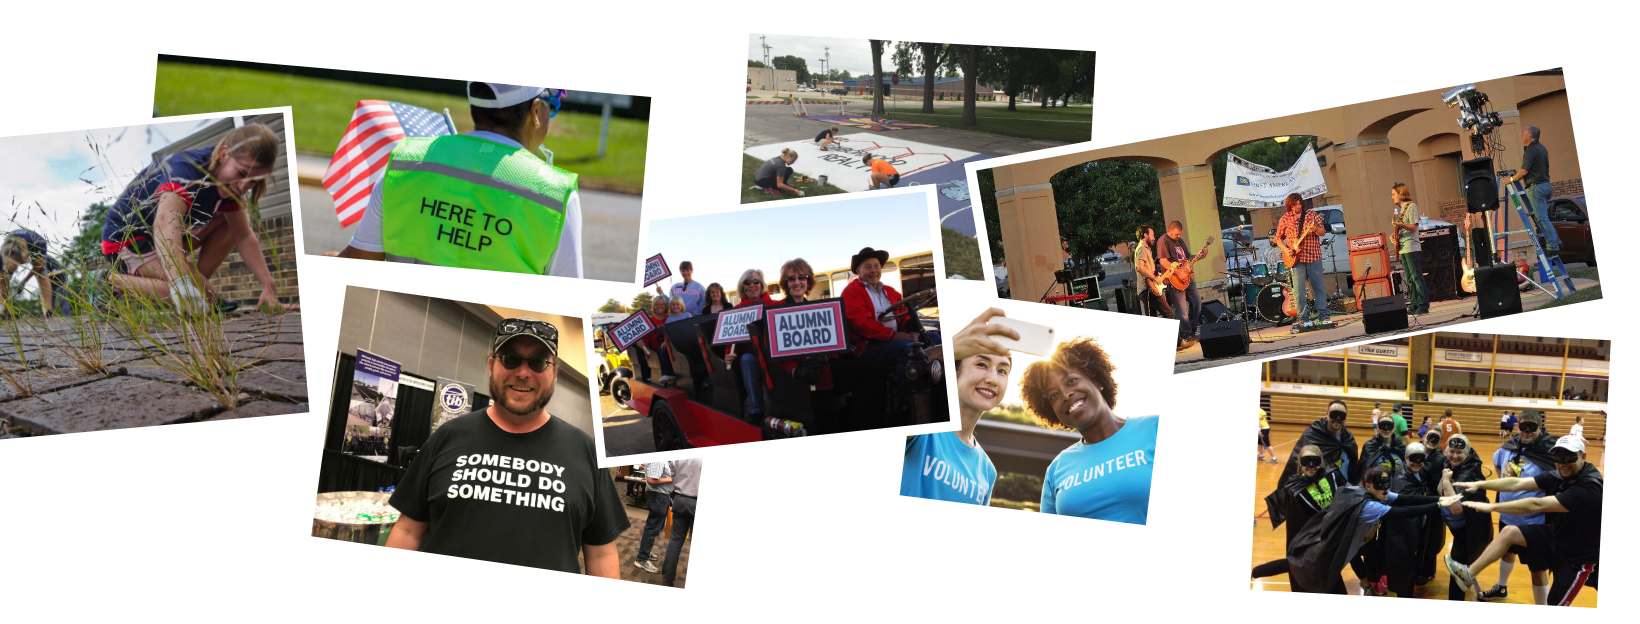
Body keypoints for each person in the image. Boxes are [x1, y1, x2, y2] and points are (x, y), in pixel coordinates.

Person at [386, 318, 628, 576]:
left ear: (554, 372)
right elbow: (408, 530)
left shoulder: (585, 450)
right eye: (510, 359)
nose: (523, 373)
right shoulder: (448, 435)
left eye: (538, 362)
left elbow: (602, 553)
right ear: (491, 365)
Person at [333, 83, 582, 277]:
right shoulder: (557, 196)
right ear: (536, 110)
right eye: (552, 105)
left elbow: (359, 261)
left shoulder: (405, 161)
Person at [100, 123, 286, 312]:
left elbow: (243, 235)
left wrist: (269, 286)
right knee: (205, 297)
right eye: (241, 173)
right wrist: (181, 282)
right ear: (224, 154)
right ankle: (107, 282)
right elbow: (165, 221)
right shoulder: (186, 170)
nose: (243, 186)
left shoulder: (229, 184)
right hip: (128, 240)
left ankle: (198, 289)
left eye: (254, 181)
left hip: (163, 238)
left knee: (229, 225)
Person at [1251, 466, 1463, 595]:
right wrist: (1438, 506)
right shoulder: (1370, 506)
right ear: (1369, 485)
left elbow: (1405, 498)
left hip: (1332, 545)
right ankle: (1253, 573)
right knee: (1303, 567)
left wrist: (1439, 498)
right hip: (1328, 551)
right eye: (1381, 486)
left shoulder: (1364, 491)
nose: (1386, 490)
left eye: (1387, 486)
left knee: (1296, 564)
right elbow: (1403, 512)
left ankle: (1254, 572)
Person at [1448, 435, 1603, 606]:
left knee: (1554, 604)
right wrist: (1480, 484)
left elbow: (1536, 504)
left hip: (1577, 556)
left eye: (1570, 456)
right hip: (1558, 536)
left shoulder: (1590, 488)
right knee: (1510, 532)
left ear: (1583, 457)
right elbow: (1516, 483)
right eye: (1559, 457)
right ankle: (1468, 575)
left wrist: (1493, 507)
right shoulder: (1559, 475)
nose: (1563, 462)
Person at [1019, 337, 1157, 523]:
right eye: (1054, 395)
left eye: (1072, 381)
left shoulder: (1155, 429)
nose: (1066, 395)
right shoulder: (1057, 469)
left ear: (1097, 380)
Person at [900, 309, 1009, 505]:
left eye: (1002, 370)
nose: (992, 379)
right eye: (982, 364)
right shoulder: (920, 434)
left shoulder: (987, 471)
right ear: (955, 371)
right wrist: (950, 348)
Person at [1475, 409, 1556, 602]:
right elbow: (1498, 464)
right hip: (1507, 516)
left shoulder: (1549, 451)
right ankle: (1501, 588)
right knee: (1507, 553)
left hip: (1534, 522)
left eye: (1532, 427)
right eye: (1523, 427)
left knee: (1537, 569)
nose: (1527, 432)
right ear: (1517, 426)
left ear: (1540, 427)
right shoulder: (1509, 446)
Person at [842, 247, 925, 423]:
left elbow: (904, 313)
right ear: (858, 270)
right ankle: (908, 406)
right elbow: (862, 324)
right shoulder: (851, 292)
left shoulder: (890, 291)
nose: (873, 271)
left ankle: (937, 391)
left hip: (892, 341)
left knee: (935, 340)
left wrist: (912, 329)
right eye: (868, 267)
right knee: (908, 351)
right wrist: (896, 336)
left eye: (876, 266)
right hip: (866, 346)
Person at [1263, 444, 1347, 573]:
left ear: (1321, 462)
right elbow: (1295, 525)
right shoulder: (1294, 489)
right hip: (1314, 541)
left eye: (1315, 461)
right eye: (1306, 461)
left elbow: (1347, 499)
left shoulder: (1333, 476)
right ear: (1300, 463)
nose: (1311, 466)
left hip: (1335, 534)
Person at [1435, 433, 1494, 600]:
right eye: (1451, 451)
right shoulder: (1450, 463)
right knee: (1465, 564)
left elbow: (1455, 508)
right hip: (1460, 527)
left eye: (1459, 452)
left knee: (1457, 568)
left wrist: (1446, 481)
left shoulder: (1471, 474)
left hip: (1469, 530)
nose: (1454, 455)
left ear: (1467, 454)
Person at [1270, 400, 1361, 507]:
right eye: (1334, 414)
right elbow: (1298, 466)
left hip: (1344, 491)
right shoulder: (1313, 435)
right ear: (1326, 413)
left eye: (1341, 415)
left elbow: (1353, 466)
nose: (1337, 419)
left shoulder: (1348, 439)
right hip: (1322, 494)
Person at [1387, 442, 1447, 596]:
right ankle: (1404, 595)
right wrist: (1436, 503)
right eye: (1413, 458)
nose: (1416, 463)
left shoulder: (1422, 472)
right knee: (1404, 564)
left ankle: (1411, 586)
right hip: (1405, 531)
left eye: (1420, 459)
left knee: (1415, 561)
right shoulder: (1402, 479)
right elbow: (1408, 503)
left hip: (1420, 525)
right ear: (1405, 458)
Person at [1272, 192, 1329, 330]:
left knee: (1319, 287)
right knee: (1298, 289)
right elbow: (1278, 238)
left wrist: (1315, 228)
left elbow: (1322, 232)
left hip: (1313, 256)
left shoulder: (1311, 215)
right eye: (1295, 204)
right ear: (1290, 205)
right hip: (1295, 259)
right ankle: (1303, 318)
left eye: (1299, 204)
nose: (1298, 206)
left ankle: (1323, 315)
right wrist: (1286, 250)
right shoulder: (1285, 219)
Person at [1502, 125, 1560, 254]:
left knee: (1542, 218)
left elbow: (1523, 171)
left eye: (1524, 133)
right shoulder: (1542, 148)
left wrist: (1510, 179)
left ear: (1529, 136)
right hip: (1546, 185)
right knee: (1544, 218)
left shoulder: (1530, 150)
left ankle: (1553, 246)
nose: (1522, 135)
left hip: (1537, 188)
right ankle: (1556, 241)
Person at [731, 269, 775, 420]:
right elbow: (730, 338)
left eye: (756, 281)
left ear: (762, 285)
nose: (752, 285)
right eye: (747, 282)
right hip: (751, 357)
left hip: (772, 355)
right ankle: (757, 409)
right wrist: (728, 354)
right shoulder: (736, 311)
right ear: (742, 287)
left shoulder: (774, 305)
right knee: (746, 360)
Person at [1131, 225, 1182, 348]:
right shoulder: (1142, 248)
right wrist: (1155, 278)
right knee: (1169, 313)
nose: (1154, 238)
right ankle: (1178, 343)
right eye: (1152, 235)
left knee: (1154, 319)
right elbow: (1140, 267)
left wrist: (1163, 272)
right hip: (1147, 289)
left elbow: (1147, 269)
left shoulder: (1146, 249)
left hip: (1148, 288)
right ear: (1145, 235)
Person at [2, 229, 71, 317]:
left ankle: (48, 312)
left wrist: (24, 282)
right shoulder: (3, 250)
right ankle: (5, 310)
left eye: (15, 267)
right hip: (12, 251)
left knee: (42, 275)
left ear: (22, 259)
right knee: (3, 278)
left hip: (35, 245)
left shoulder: (36, 244)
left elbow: (37, 268)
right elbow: (3, 280)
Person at [1157, 221, 1205, 345]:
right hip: (1174, 279)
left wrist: (1201, 255)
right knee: (1182, 309)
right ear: (1170, 230)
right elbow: (1163, 262)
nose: (1179, 236)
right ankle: (1185, 334)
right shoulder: (1163, 241)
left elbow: (1188, 258)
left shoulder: (1180, 241)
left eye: (1180, 234)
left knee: (1197, 302)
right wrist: (1179, 273)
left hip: (1187, 277)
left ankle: (1191, 331)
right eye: (1177, 234)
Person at [661, 456, 703, 587]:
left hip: (680, 499)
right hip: (698, 500)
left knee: (675, 542)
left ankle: (667, 579)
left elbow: (672, 475)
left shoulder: (680, 455)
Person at [1390, 182, 1429, 315]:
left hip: (1411, 246)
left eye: (1394, 194)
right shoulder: (1401, 211)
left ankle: (1423, 305)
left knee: (1416, 277)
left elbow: (1413, 226)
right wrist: (1394, 237)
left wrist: (1400, 224)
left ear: (1401, 194)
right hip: (1404, 247)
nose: (1392, 197)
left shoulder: (1411, 207)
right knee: (1410, 279)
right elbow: (1403, 228)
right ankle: (1414, 304)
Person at [632, 460, 672, 574]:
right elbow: (651, 480)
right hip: (657, 497)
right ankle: (641, 558)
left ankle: (645, 552)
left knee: (655, 528)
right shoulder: (659, 459)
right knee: (652, 529)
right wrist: (672, 478)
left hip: (661, 496)